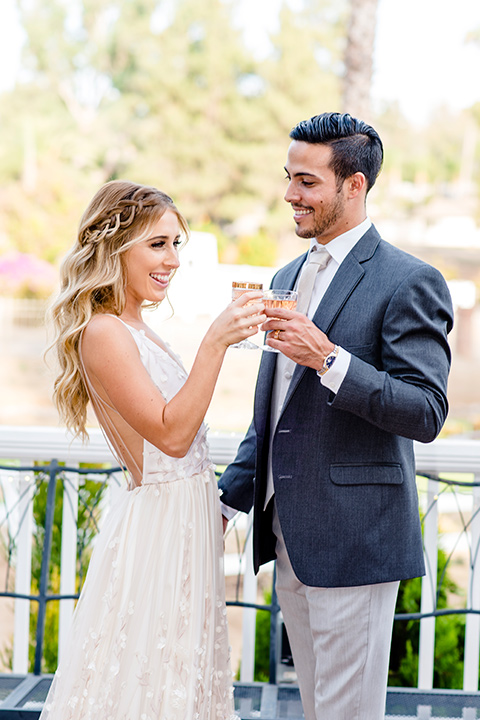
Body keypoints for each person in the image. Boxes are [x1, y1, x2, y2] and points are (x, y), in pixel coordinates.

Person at [219, 112, 453, 720]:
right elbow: (272, 416)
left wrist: (326, 357)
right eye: (288, 178)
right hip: (287, 534)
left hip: (355, 538)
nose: (290, 195)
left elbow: (426, 411)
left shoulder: (410, 281)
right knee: (318, 707)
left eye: (307, 182)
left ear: (354, 185)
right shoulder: (285, 276)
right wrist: (224, 503)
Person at [41, 179, 266, 720]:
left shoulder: (137, 327)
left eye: (176, 245)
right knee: (149, 686)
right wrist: (216, 342)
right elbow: (170, 434)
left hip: (189, 526)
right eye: (157, 244)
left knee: (184, 683)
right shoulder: (104, 332)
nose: (172, 260)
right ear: (114, 247)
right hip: (160, 533)